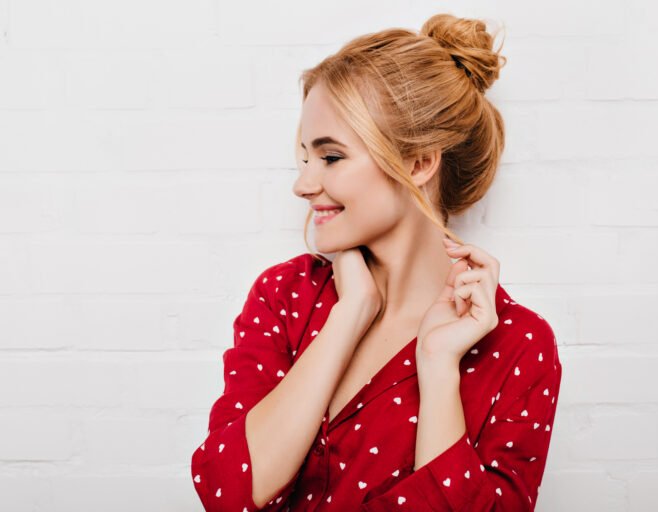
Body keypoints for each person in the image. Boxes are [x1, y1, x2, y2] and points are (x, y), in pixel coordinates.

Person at [191, 13, 562, 511]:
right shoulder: (285, 296)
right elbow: (228, 493)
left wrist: (438, 366)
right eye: (305, 158)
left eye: (331, 157)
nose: (303, 185)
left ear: (418, 162)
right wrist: (350, 314)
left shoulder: (518, 345)